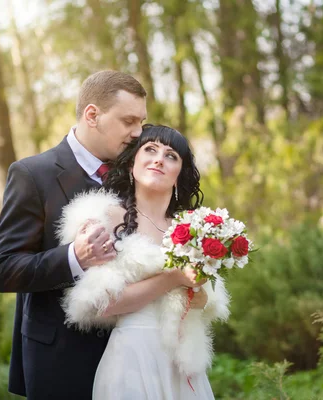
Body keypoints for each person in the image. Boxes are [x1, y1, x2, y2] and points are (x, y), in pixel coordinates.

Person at [0, 70, 150, 399]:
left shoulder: (140, 172)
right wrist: (74, 258)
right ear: (92, 115)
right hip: (62, 361)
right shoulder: (32, 175)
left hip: (135, 354)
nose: (138, 134)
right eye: (128, 121)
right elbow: (4, 270)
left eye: (141, 123)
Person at [57, 125, 230, 400]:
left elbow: (209, 301)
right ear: (131, 164)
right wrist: (173, 278)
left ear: (179, 175)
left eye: (171, 155)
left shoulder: (194, 230)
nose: (159, 159)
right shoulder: (105, 219)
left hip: (182, 363)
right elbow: (102, 304)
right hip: (132, 358)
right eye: (150, 150)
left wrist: (200, 298)